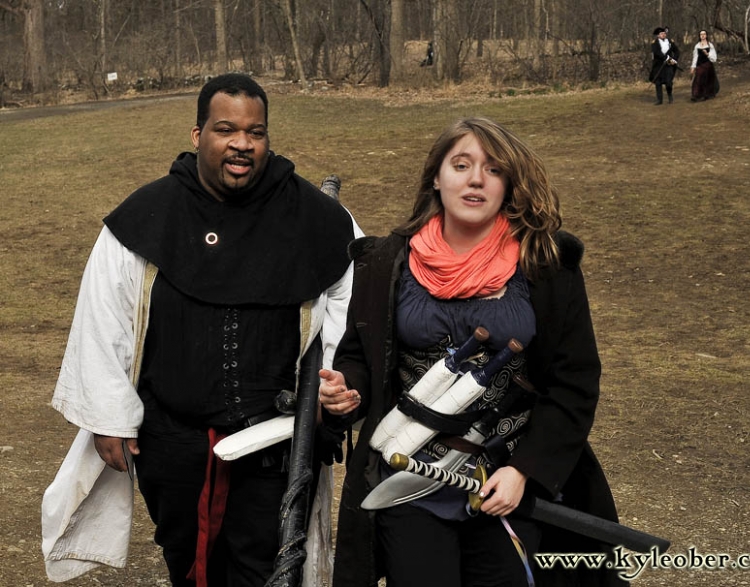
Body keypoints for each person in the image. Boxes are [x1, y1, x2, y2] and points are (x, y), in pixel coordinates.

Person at [41, 73, 361, 587]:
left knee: (265, 565)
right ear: (198, 135)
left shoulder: (319, 221)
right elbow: (104, 318)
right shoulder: (148, 215)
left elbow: (348, 317)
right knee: (187, 563)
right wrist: (108, 417)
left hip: (275, 440)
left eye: (255, 133)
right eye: (226, 129)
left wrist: (335, 388)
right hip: (172, 438)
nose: (242, 144)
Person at [319, 117, 624, 587]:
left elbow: (574, 380)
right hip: (409, 475)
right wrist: (349, 390)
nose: (476, 179)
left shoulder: (547, 264)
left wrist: (526, 471)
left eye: (493, 169)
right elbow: (359, 355)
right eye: (460, 165)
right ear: (436, 179)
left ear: (509, 184)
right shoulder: (385, 261)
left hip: (505, 481)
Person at [649, 27, 681, 105]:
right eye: (661, 34)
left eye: (664, 33)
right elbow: (657, 53)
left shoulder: (670, 42)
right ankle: (659, 100)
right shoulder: (654, 43)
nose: (663, 35)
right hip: (658, 65)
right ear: (658, 35)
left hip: (668, 65)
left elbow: (677, 51)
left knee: (669, 82)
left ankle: (670, 96)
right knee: (658, 83)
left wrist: (673, 60)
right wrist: (666, 58)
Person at [690, 30, 719, 101]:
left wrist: (707, 54)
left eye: (704, 34)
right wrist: (693, 67)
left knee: (708, 80)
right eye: (701, 34)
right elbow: (695, 57)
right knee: (698, 78)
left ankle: (707, 94)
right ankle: (696, 95)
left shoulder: (710, 45)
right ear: (699, 36)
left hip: (708, 65)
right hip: (700, 65)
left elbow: (714, 57)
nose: (702, 36)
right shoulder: (697, 46)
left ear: (706, 35)